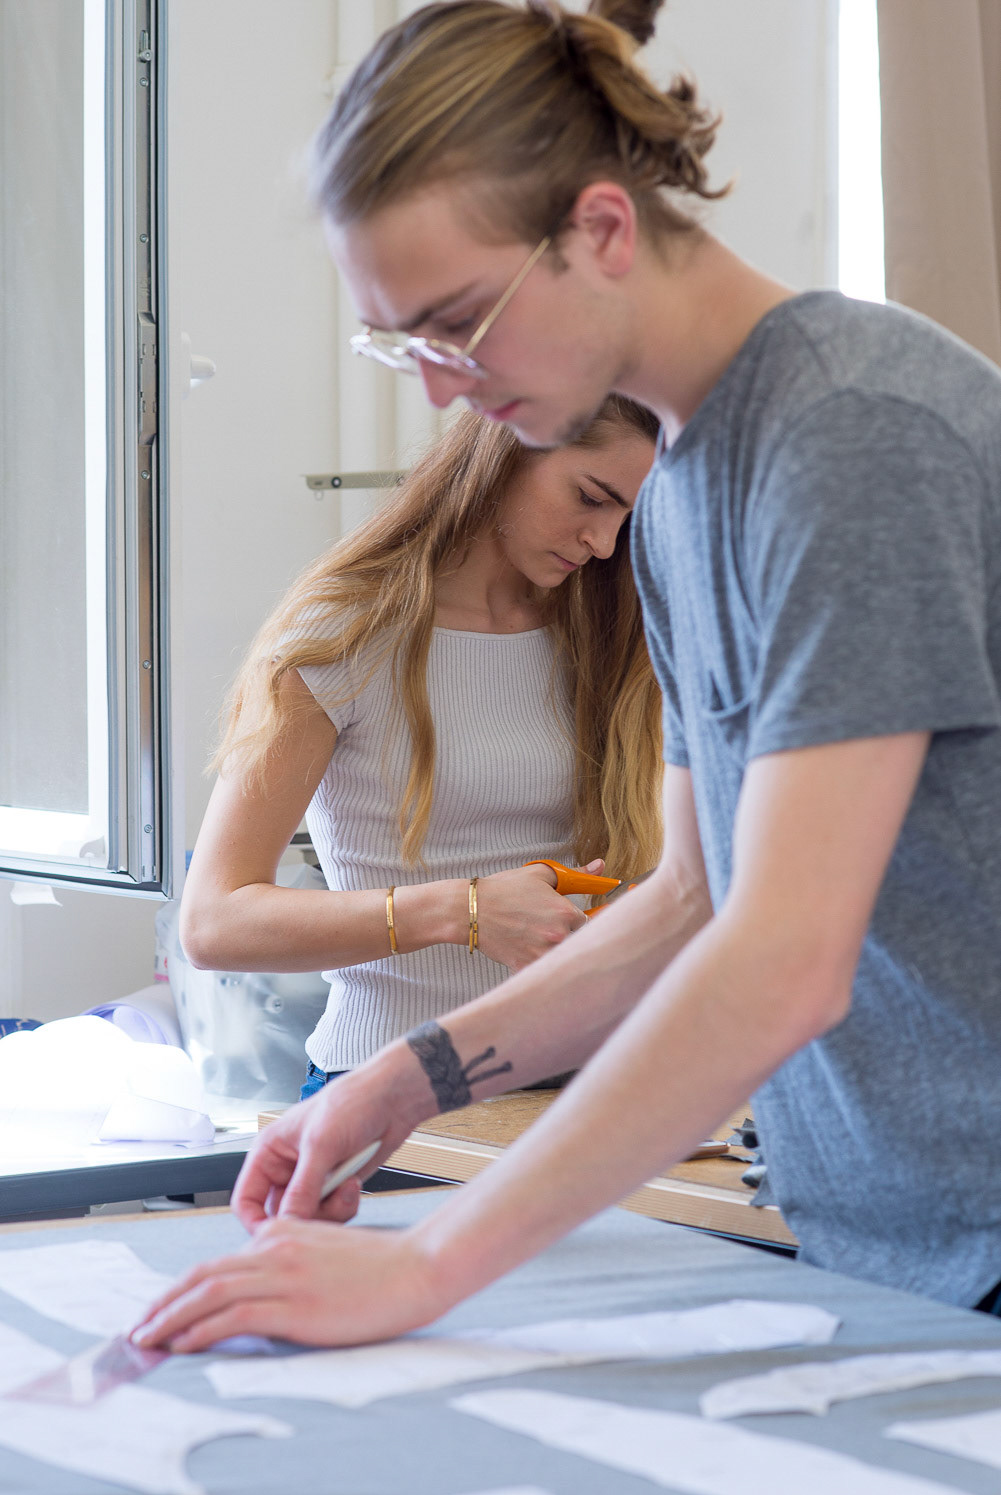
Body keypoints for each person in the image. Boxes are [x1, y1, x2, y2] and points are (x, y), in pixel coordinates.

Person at [135, 0, 1001, 1355]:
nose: (435, 390)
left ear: (600, 231)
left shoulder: (850, 439)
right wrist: (393, 1091)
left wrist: (425, 1270)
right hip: (889, 1243)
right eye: (397, 344)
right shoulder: (681, 492)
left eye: (454, 325)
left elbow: (782, 961)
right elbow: (686, 900)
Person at [179, 399, 660, 1100]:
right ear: (506, 450)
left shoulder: (608, 628)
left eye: (630, 520)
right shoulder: (342, 635)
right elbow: (214, 921)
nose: (604, 543)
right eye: (590, 498)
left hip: (584, 1083)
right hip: (390, 1090)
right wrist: (462, 912)